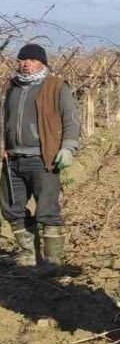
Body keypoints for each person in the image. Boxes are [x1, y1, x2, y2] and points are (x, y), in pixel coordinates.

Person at [1, 43, 81, 268]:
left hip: (43, 158)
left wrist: (68, 147)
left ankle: (52, 261)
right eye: (22, 60)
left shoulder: (56, 86)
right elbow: (4, 119)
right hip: (13, 158)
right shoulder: (13, 87)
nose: (26, 64)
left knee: (47, 210)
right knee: (11, 208)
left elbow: (71, 118)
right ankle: (28, 253)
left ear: (42, 63)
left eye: (32, 60)